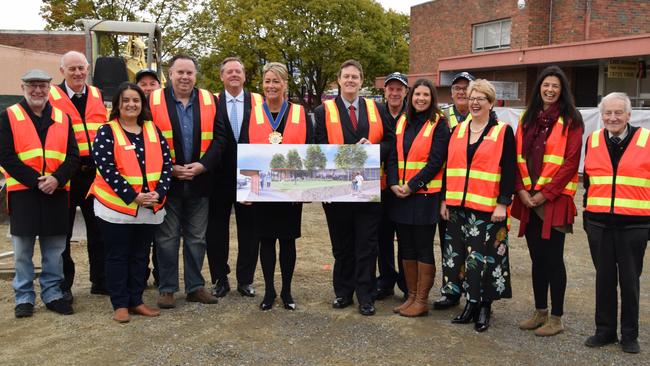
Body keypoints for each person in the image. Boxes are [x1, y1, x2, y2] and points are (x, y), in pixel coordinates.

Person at [314, 59, 395, 316]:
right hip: (335, 190)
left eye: (355, 77)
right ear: (338, 80)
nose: (350, 81)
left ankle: (366, 296)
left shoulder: (377, 109)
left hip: (368, 189)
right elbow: (316, 150)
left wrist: (372, 149)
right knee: (342, 246)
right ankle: (343, 292)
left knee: (367, 245)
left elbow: (391, 144)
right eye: (346, 76)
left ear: (362, 81)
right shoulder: (322, 111)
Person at [88, 82, 172, 322]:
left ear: (142, 104)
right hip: (116, 207)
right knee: (117, 255)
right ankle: (120, 304)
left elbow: (166, 164)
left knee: (140, 256)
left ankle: (136, 300)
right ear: (118, 104)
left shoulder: (153, 129)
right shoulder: (107, 131)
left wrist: (159, 192)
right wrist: (133, 195)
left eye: (136, 100)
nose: (131, 104)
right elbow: (106, 169)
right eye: (126, 100)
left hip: (149, 206)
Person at [0, 69, 79, 317]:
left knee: (54, 250)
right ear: (23, 87)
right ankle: (24, 297)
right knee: (23, 250)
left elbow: (73, 156)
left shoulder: (62, 118)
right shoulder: (8, 116)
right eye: (32, 85)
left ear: (49, 89)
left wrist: (56, 179)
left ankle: (52, 293)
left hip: (56, 191)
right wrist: (37, 181)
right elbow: (5, 156)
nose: (38, 90)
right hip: (25, 192)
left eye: (42, 86)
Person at [512, 66, 583, 337]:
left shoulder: (572, 119)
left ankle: (556, 317)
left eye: (555, 86)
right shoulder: (527, 118)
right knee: (536, 258)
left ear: (562, 89)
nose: (550, 90)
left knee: (554, 259)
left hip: (553, 200)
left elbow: (570, 162)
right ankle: (540, 310)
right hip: (528, 198)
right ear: (538, 88)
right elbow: (516, 157)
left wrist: (545, 193)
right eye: (546, 85)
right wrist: (521, 191)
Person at [441, 79, 514, 332]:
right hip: (458, 208)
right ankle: (468, 304)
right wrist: (444, 199)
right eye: (471, 97)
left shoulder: (502, 131)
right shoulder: (458, 130)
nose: (474, 102)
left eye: (480, 98)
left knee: (486, 261)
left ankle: (484, 307)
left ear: (491, 103)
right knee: (461, 258)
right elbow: (449, 168)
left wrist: (504, 204)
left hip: (488, 209)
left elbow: (509, 171)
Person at [149, 54, 221, 308]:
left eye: (189, 73)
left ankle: (195, 287)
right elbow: (147, 140)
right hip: (168, 182)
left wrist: (202, 166)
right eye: (180, 72)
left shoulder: (210, 100)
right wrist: (171, 169)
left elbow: (220, 138)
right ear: (170, 74)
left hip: (200, 181)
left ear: (195, 75)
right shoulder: (154, 99)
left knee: (197, 238)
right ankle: (167, 289)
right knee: (166, 238)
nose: (185, 77)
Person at [583, 92, 649, 354]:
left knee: (630, 282)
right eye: (608, 113)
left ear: (629, 115)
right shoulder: (594, 140)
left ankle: (630, 335)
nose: (612, 118)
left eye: (618, 113)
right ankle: (605, 331)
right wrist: (589, 218)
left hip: (634, 225)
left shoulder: (646, 140)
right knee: (604, 279)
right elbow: (588, 183)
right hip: (599, 224)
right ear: (602, 115)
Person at [245, 62, 313, 310]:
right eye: (267, 81)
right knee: (265, 240)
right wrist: (247, 188)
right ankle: (269, 292)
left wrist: (306, 188)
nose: (271, 86)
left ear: (285, 84)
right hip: (262, 189)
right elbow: (244, 150)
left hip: (290, 189)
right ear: (262, 84)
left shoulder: (300, 113)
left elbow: (311, 150)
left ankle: (286, 291)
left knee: (287, 240)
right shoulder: (252, 113)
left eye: (276, 81)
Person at [387, 78, 450, 317]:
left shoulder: (439, 124)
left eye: (425, 95)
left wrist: (411, 186)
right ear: (410, 97)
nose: (420, 99)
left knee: (423, 247)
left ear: (432, 98)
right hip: (400, 194)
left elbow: (436, 162)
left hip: (424, 196)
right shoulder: (403, 120)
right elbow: (393, 155)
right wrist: (393, 183)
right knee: (406, 247)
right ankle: (411, 296)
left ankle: (421, 300)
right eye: (417, 95)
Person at [48, 51, 108, 301]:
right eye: (72, 69)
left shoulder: (96, 94)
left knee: (99, 230)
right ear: (62, 71)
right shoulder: (51, 96)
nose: (78, 73)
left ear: (88, 69)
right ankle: (64, 286)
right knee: (63, 233)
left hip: (93, 174)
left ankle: (101, 281)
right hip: (66, 173)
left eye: (81, 68)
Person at [207, 57, 260, 298]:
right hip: (218, 175)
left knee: (250, 230)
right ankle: (219, 278)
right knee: (216, 230)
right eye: (229, 72)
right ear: (222, 76)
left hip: (250, 174)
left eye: (238, 71)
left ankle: (245, 280)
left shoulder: (257, 101)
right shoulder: (211, 103)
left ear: (244, 76)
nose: (234, 75)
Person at [434, 71, 475, 310]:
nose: (461, 92)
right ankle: (450, 292)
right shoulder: (442, 117)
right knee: (449, 245)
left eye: (466, 88)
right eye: (457, 88)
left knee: (474, 247)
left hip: (476, 192)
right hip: (448, 190)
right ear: (451, 92)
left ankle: (473, 292)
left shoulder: (486, 116)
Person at [376, 72, 408, 300]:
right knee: (382, 237)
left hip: (406, 188)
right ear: (385, 91)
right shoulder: (376, 113)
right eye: (391, 89)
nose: (395, 93)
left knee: (405, 238)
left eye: (399, 89)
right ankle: (386, 280)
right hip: (380, 187)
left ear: (406, 92)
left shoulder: (413, 113)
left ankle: (407, 284)